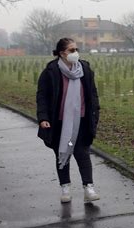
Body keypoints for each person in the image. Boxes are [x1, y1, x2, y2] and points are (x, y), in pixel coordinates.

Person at [36, 38, 101, 203]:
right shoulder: (51, 72)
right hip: (59, 122)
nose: (76, 53)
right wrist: (43, 117)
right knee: (62, 153)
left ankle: (89, 188)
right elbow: (42, 96)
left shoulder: (84, 69)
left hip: (81, 120)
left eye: (76, 49)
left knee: (82, 154)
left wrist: (95, 114)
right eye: (72, 50)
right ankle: (65, 188)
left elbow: (92, 95)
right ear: (62, 53)